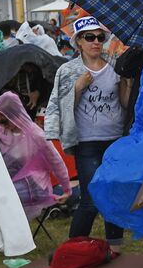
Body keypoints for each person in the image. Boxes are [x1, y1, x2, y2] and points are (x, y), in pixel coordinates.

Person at [43, 15, 128, 251]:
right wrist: (78, 88)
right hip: (86, 142)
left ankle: (115, 247)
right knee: (90, 200)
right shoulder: (68, 71)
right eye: (89, 37)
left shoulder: (115, 67)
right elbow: (59, 105)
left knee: (112, 195)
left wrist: (127, 84)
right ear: (78, 41)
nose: (96, 42)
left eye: (100, 37)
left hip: (115, 140)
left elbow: (123, 103)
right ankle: (72, 249)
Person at [0, 91, 70, 219]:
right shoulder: (3, 135)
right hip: (12, 186)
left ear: (14, 114)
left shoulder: (35, 134)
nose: (1, 126)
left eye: (4, 121)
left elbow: (56, 161)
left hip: (34, 187)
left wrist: (67, 189)